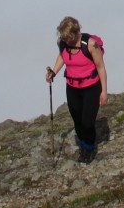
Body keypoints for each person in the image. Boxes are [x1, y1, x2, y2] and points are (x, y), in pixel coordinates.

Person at [46, 16, 108, 164]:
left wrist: (104, 91)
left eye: (68, 38)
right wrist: (54, 72)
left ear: (75, 34)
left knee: (87, 122)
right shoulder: (63, 43)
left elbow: (101, 67)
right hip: (72, 87)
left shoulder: (90, 45)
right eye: (64, 38)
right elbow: (62, 57)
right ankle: (84, 144)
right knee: (77, 121)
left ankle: (88, 148)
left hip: (91, 87)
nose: (66, 41)